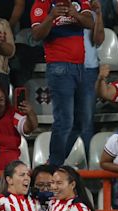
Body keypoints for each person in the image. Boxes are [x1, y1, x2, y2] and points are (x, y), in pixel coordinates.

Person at [31, 0, 94, 166]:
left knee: (81, 121)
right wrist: (51, 17)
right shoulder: (42, 3)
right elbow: (37, 35)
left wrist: (76, 14)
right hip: (59, 67)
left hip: (81, 67)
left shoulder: (80, 1)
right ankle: (53, 166)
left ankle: (54, 163)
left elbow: (90, 23)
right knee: (64, 120)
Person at [64, 0, 105, 158]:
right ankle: (61, 166)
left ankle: (87, 169)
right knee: (66, 120)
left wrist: (99, 15)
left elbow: (99, 40)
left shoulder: (91, 9)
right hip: (65, 69)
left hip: (88, 69)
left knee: (86, 122)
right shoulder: (58, 7)